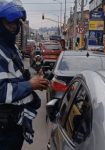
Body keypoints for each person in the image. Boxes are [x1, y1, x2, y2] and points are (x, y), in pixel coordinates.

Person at [0, 1, 49, 150]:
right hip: (3, 130)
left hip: (14, 126)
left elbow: (17, 78)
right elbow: (1, 91)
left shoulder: (11, 48)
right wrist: (30, 85)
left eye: (16, 24)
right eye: (9, 24)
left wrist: (34, 81)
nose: (14, 28)